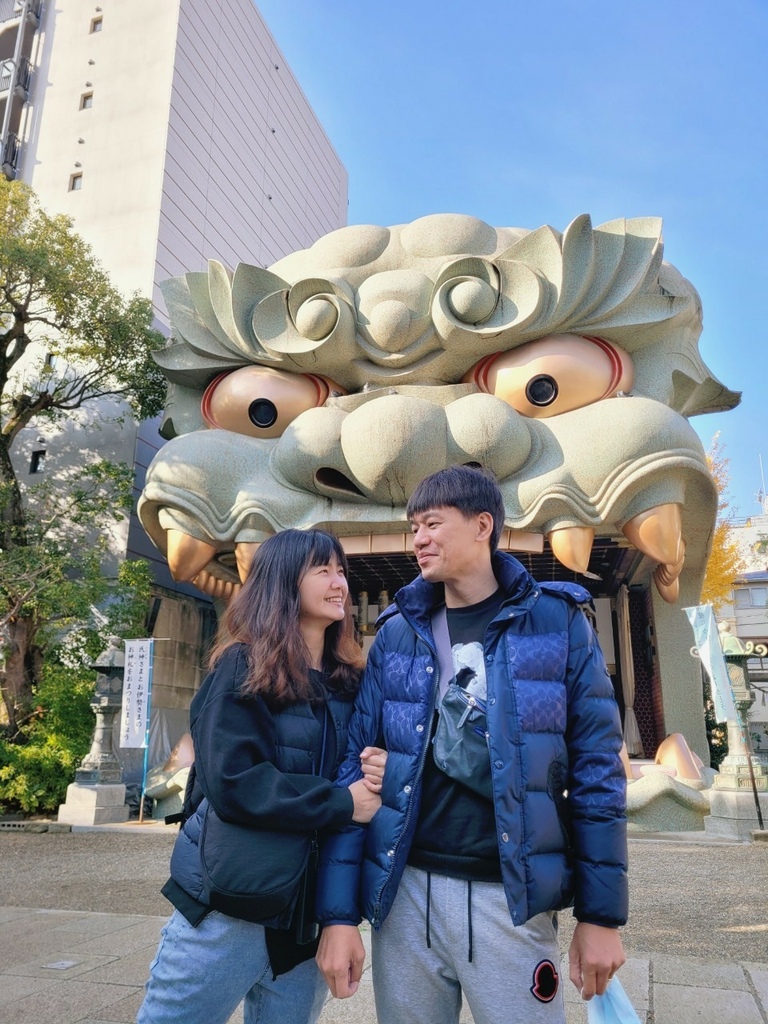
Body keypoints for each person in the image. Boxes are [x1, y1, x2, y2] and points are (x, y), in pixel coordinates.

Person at [316, 466, 628, 1024]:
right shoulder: (397, 632)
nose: (419, 540)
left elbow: (597, 773)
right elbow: (353, 770)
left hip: (510, 899)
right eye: (414, 528)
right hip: (404, 893)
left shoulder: (557, 622)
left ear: (483, 525)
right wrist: (338, 916)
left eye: (433, 524)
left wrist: (600, 916)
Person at [138, 529, 385, 1024]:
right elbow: (236, 784)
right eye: (323, 570)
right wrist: (342, 802)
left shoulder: (349, 682)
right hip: (227, 911)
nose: (339, 582)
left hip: (303, 924)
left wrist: (381, 766)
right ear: (282, 583)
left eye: (341, 570)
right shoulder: (242, 667)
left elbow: (362, 776)